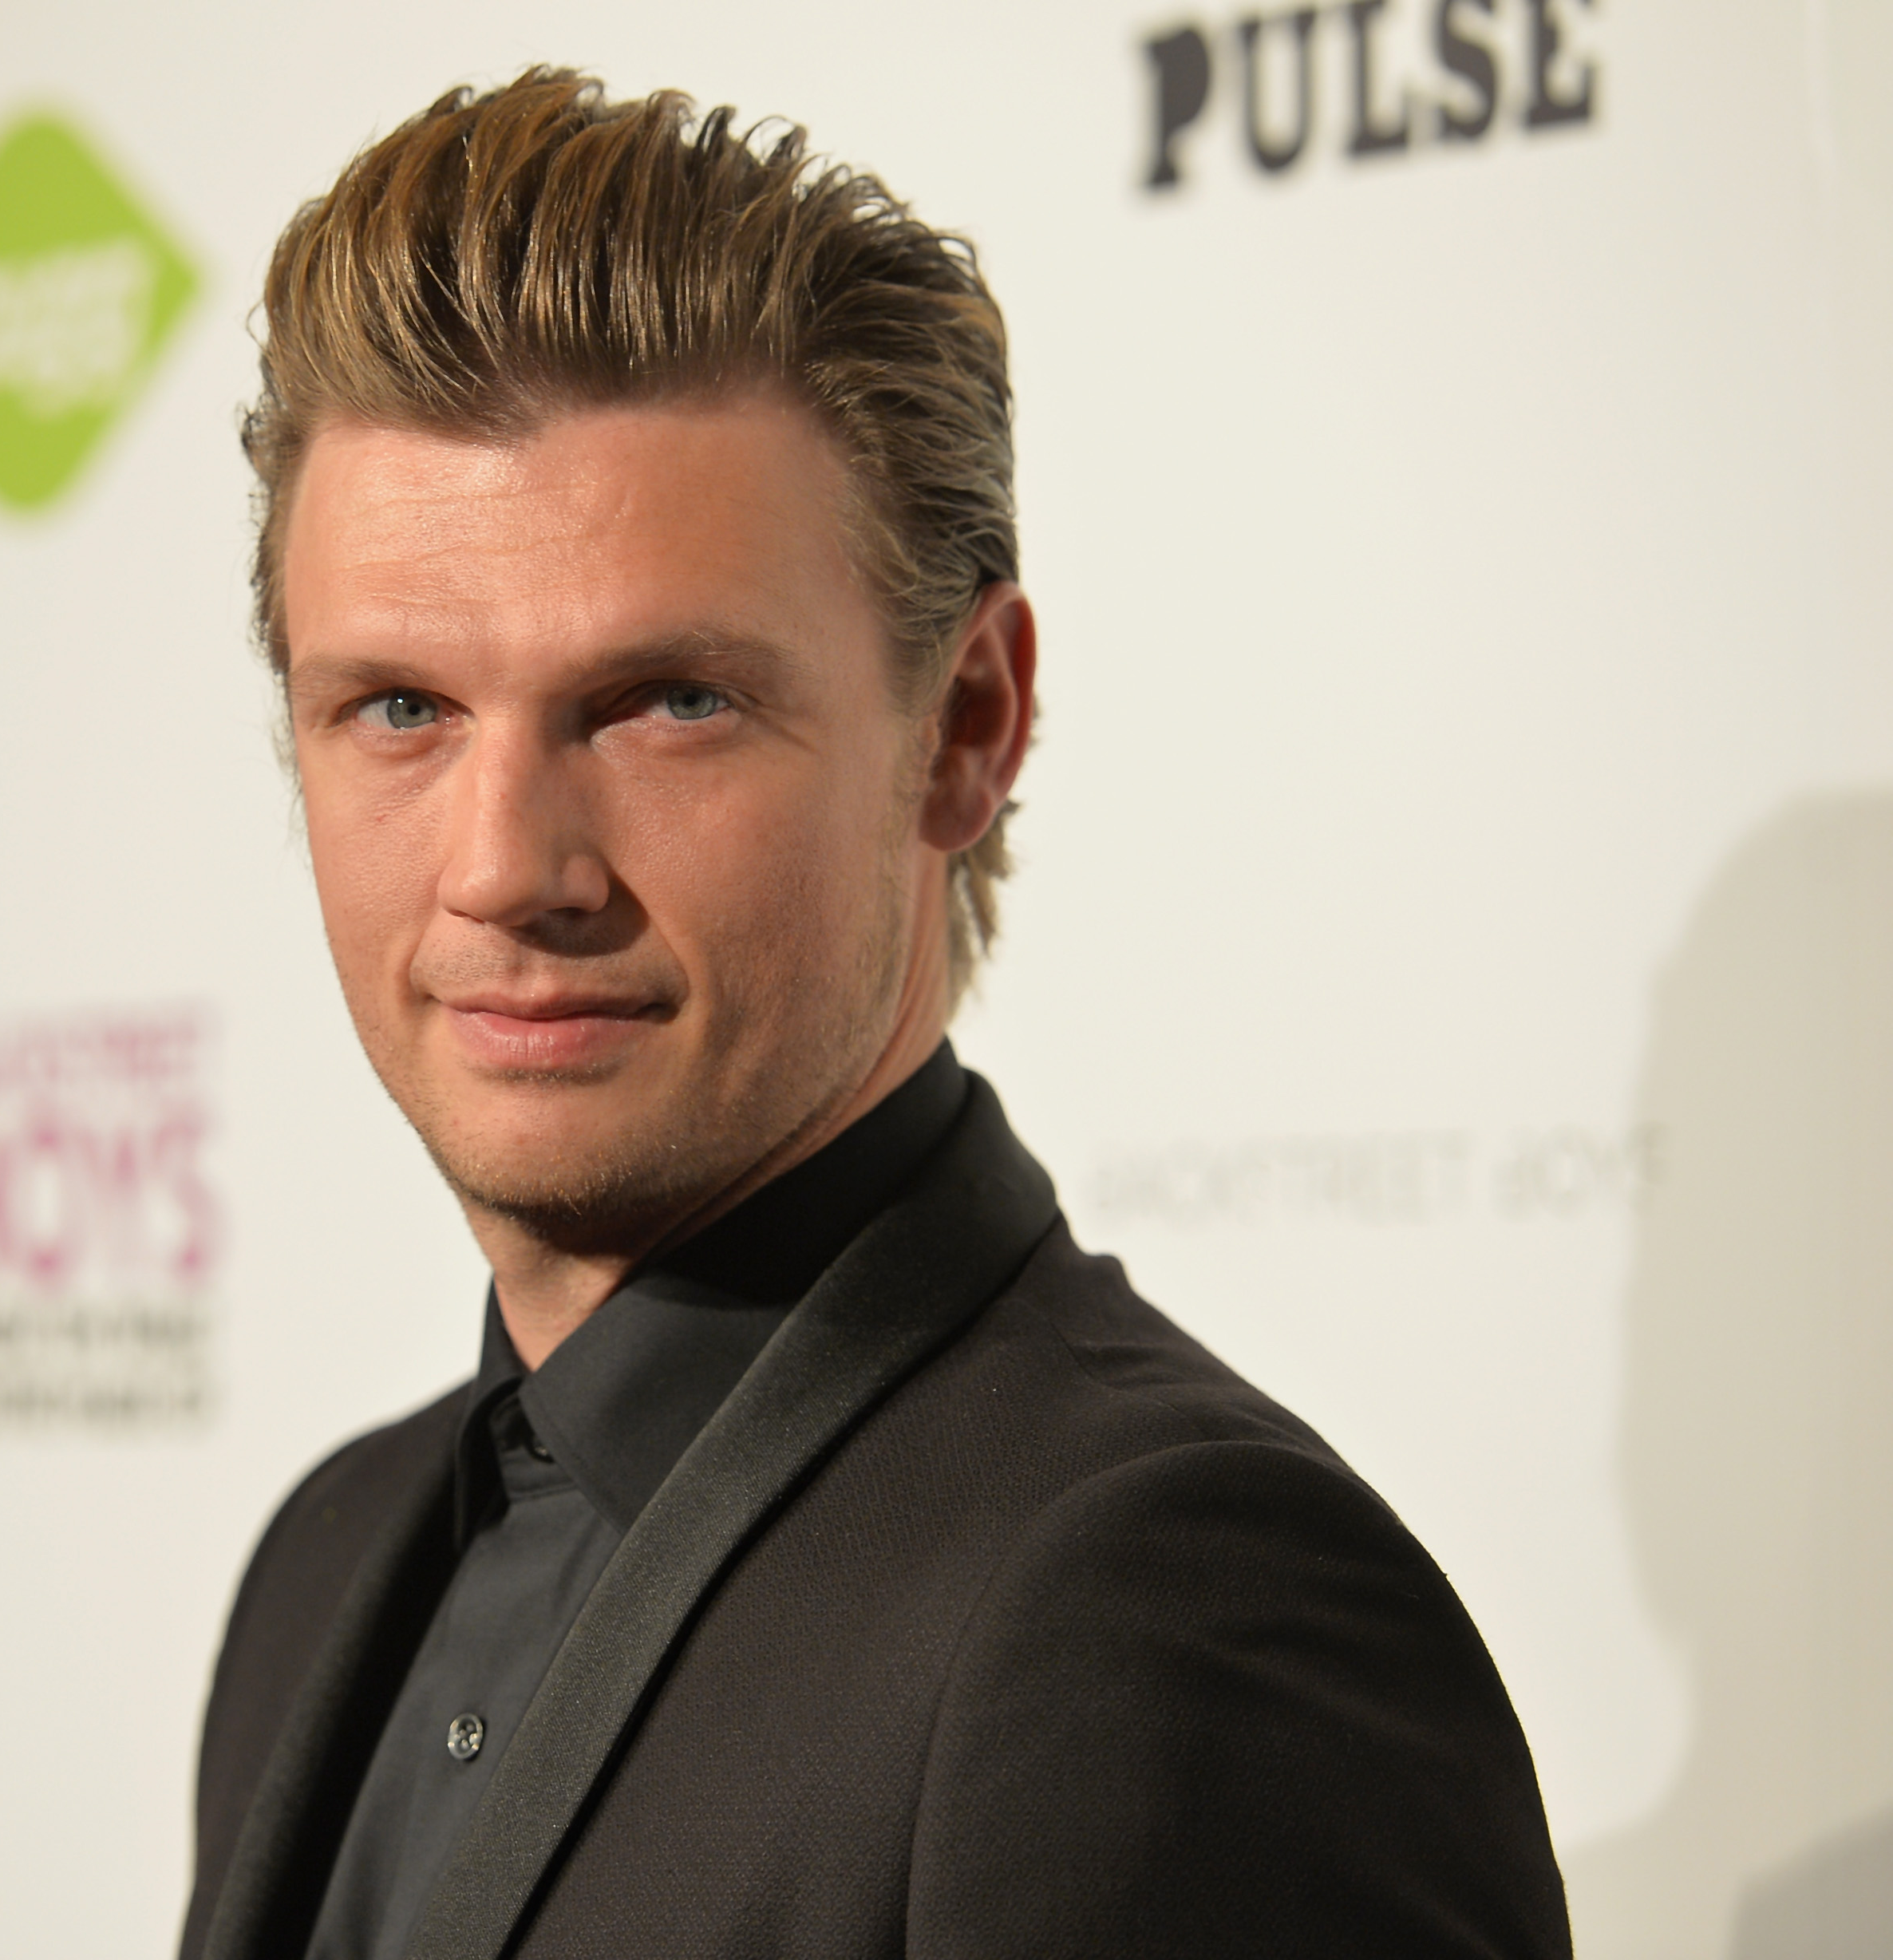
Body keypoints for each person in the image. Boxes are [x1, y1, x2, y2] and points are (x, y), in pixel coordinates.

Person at [183, 69, 1570, 1960]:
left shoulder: (1170, 1613)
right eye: (401, 709)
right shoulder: (324, 1565)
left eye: (668, 701)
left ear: (968, 723)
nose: (506, 866)